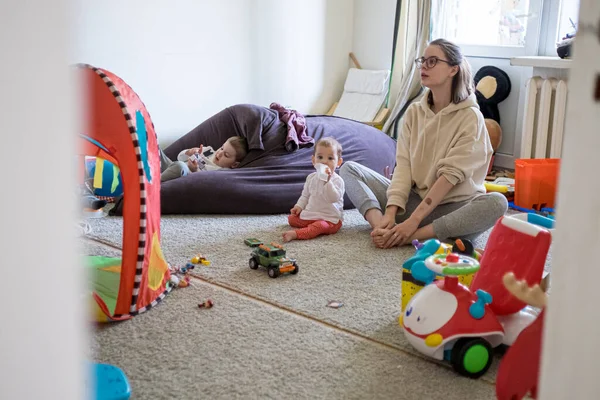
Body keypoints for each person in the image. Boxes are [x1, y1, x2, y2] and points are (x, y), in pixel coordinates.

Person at [339, 38, 508, 249]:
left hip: (453, 209)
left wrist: (412, 223)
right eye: (423, 61)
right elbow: (404, 167)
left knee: (497, 203)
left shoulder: (471, 118)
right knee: (349, 169)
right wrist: (391, 211)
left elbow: (448, 178)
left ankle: (409, 236)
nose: (424, 67)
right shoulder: (414, 112)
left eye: (433, 61)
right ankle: (381, 228)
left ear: (453, 70)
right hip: (414, 202)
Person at [282, 137, 345, 242]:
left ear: (338, 162)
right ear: (313, 160)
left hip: (330, 219)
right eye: (320, 157)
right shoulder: (311, 178)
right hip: (312, 215)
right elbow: (305, 195)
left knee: (320, 226)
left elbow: (333, 198)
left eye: (330, 158)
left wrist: (327, 182)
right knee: (291, 219)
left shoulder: (338, 181)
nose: (324, 161)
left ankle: (296, 234)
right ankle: (310, 225)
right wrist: (299, 206)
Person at [159, 136, 248, 182]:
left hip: (182, 174)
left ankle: (153, 184)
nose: (220, 153)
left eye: (226, 155)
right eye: (222, 148)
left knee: (180, 166)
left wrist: (196, 170)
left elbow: (205, 182)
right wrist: (189, 152)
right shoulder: (209, 151)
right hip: (170, 165)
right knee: (156, 149)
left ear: (234, 164)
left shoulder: (221, 171)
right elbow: (180, 157)